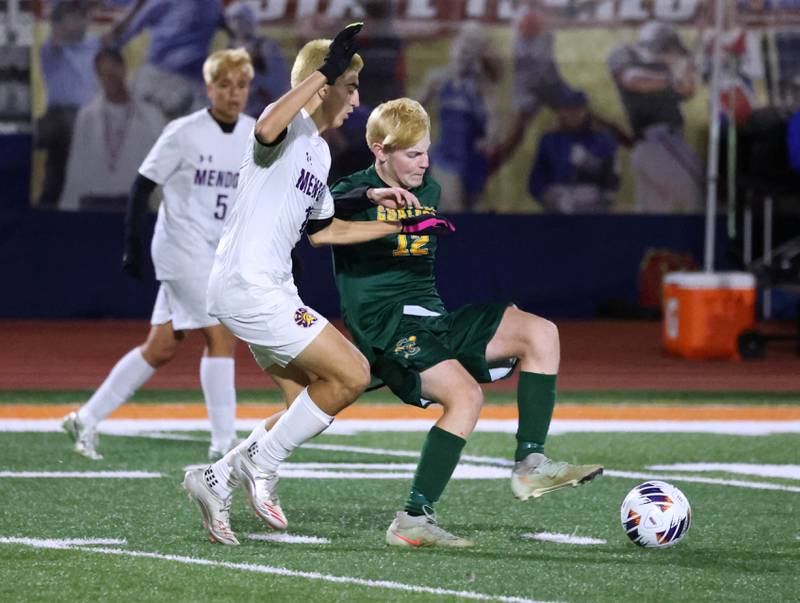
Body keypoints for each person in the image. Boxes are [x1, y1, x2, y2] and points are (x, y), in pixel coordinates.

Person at [180, 23, 455, 546]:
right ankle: (262, 462)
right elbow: (264, 127)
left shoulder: (321, 153)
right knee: (353, 373)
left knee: (310, 401)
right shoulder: (287, 128)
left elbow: (325, 230)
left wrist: (395, 218)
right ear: (324, 85)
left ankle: (216, 478)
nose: (356, 99)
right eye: (350, 88)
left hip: (268, 287)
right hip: (250, 285)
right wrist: (326, 71)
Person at [330, 98, 603, 548]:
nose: (425, 163)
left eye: (427, 151)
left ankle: (530, 463)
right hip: (386, 330)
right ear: (380, 150)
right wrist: (377, 209)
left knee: (541, 332)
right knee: (466, 395)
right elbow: (316, 214)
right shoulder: (352, 192)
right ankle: (413, 518)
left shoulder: (428, 190)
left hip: (433, 321)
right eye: (413, 154)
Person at [62, 48, 257, 461]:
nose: (233, 93)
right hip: (181, 248)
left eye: (241, 85)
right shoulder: (183, 132)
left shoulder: (254, 134)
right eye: (224, 85)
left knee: (161, 347)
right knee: (222, 335)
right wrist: (132, 245)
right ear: (208, 88)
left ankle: (85, 417)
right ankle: (223, 444)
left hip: (216, 252)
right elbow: (141, 186)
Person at [608, 21, 704, 213]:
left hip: (660, 147)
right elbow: (631, 79)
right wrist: (670, 79)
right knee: (702, 196)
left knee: (651, 221)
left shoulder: (664, 70)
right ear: (660, 45)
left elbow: (687, 90)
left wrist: (688, 70)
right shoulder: (626, 55)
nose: (674, 55)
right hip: (659, 143)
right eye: (672, 49)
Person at [59, 48, 165, 211]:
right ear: (98, 76)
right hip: (93, 204)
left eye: (113, 71)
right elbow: (76, 166)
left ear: (123, 69)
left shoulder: (150, 115)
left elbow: (162, 163)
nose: (110, 78)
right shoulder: (87, 116)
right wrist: (67, 211)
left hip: (133, 205)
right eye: (104, 73)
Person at [416, 21, 503, 212]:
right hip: (446, 157)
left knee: (473, 210)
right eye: (464, 44)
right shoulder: (438, 79)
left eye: (473, 47)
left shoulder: (483, 86)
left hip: (473, 159)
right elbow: (412, 107)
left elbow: (494, 117)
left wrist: (490, 138)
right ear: (454, 46)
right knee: (452, 206)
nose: (466, 52)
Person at [103, 0, 226, 121]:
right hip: (189, 81)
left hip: (161, 77)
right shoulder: (214, 5)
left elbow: (124, 34)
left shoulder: (162, 2)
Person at [36, 1, 100, 207]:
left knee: (60, 167)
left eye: (81, 17)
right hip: (58, 116)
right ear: (59, 25)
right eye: (71, 18)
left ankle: (52, 201)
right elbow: (56, 37)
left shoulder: (95, 45)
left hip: (86, 119)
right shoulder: (52, 49)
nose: (79, 22)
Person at [528, 88, 620, 213]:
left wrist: (592, 165)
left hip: (593, 212)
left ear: (587, 111)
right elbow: (535, 182)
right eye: (568, 108)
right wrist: (552, 196)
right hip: (558, 213)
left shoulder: (604, 139)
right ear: (560, 112)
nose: (573, 113)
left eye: (578, 108)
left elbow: (613, 182)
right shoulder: (549, 140)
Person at [224, 2, 291, 119]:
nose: (237, 24)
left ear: (249, 19)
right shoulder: (228, 49)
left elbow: (279, 82)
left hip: (264, 112)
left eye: (240, 18)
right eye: (232, 19)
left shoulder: (266, 46)